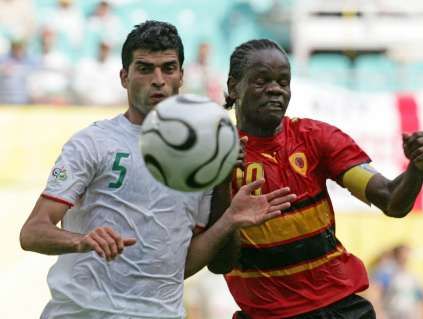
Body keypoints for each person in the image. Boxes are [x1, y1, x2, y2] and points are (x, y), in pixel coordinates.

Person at [19, 22, 295, 319]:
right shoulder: (92, 143)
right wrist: (80, 240)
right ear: (124, 77)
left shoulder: (205, 156)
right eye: (145, 68)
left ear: (182, 76)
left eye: (168, 68)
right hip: (83, 313)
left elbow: (179, 266)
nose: (158, 80)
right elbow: (33, 232)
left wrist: (228, 220)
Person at [209, 39, 423, 319]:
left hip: (338, 310)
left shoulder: (316, 138)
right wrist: (221, 180)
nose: (275, 89)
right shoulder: (212, 159)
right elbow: (220, 263)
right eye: (261, 80)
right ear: (234, 87)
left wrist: (417, 168)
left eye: (283, 81)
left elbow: (392, 202)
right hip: (266, 315)